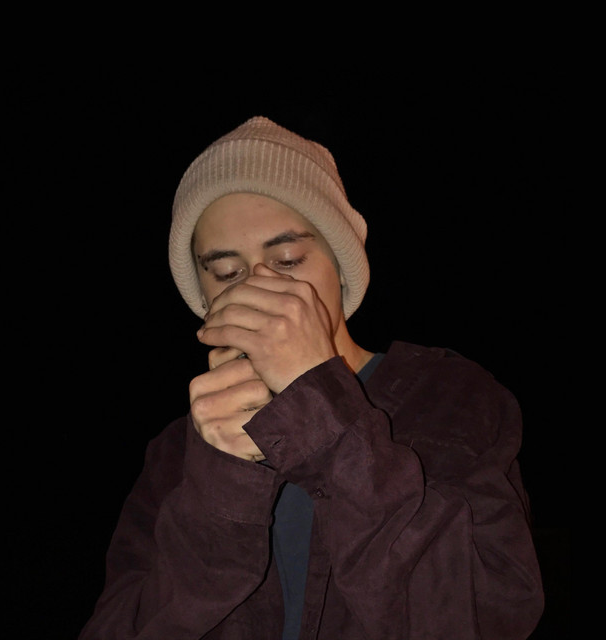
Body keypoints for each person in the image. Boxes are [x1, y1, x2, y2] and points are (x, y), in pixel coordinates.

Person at [79, 116, 544, 639]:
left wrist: (321, 406)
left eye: (286, 260)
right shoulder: (174, 452)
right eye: (227, 272)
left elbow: (483, 617)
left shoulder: (448, 395)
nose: (259, 287)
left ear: (341, 266)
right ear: (204, 298)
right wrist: (221, 483)